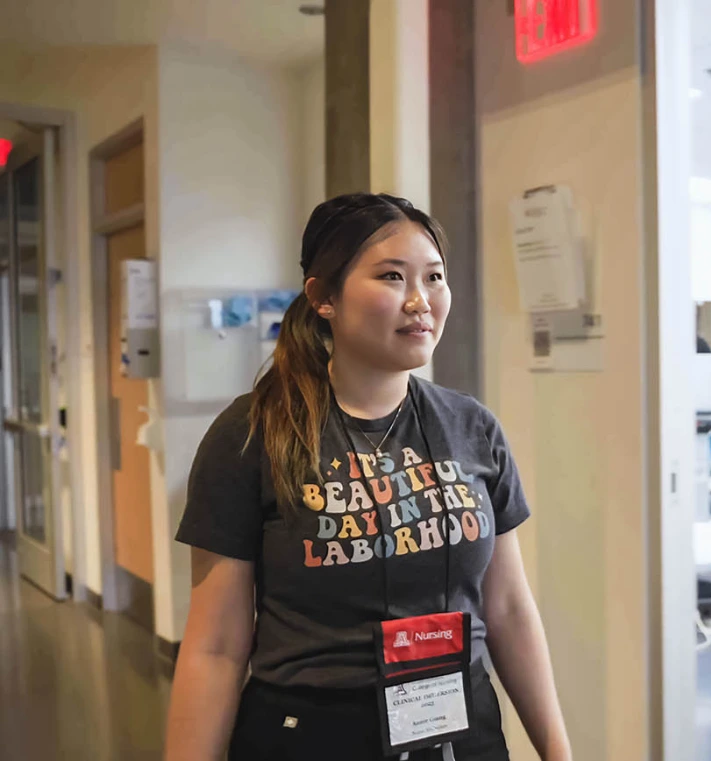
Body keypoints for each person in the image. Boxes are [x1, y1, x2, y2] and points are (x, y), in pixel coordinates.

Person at [165, 194, 572, 761]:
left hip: (459, 729)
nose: (419, 301)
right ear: (323, 297)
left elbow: (507, 608)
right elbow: (216, 647)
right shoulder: (253, 433)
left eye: (433, 277)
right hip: (308, 732)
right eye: (390, 277)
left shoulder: (471, 427)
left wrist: (557, 749)